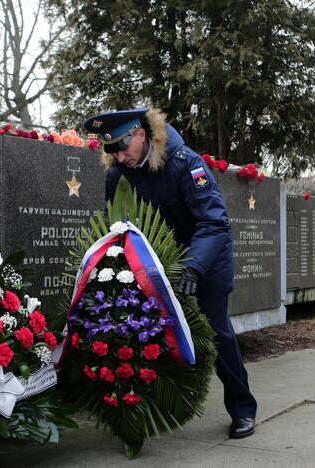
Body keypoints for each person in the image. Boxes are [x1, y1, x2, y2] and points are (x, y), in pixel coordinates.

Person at [83, 107, 258, 439]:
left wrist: (194, 266)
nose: (120, 157)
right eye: (112, 151)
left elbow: (214, 222)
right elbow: (115, 223)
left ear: (141, 134)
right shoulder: (116, 175)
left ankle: (242, 408)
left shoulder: (186, 163)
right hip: (153, 265)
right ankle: (141, 412)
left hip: (205, 261)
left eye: (123, 146)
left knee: (217, 333)